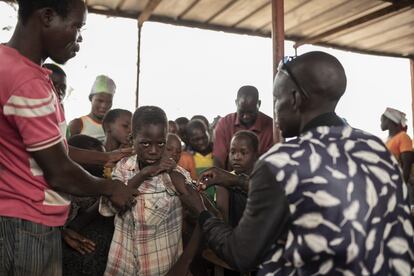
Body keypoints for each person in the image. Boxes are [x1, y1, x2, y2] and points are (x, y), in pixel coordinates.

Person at [180, 51, 414, 275]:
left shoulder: (281, 162)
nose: (275, 108)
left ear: (294, 99)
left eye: (276, 98)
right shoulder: (375, 148)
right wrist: (237, 181)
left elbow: (241, 254)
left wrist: (200, 210)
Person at [0, 1, 136, 274]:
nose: (80, 37)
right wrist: (111, 188)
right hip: (28, 224)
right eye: (76, 26)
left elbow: (53, 151)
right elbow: (60, 172)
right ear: (47, 17)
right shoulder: (27, 82)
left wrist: (106, 157)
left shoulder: (10, 63)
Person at [100, 106, 192, 275]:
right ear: (132, 138)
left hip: (160, 266)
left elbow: (197, 213)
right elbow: (112, 207)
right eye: (145, 143)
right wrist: (143, 174)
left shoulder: (176, 175)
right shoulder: (123, 168)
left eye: (161, 143)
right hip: (123, 264)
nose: (154, 150)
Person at [63, 135, 115, 276]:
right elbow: (74, 224)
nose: (103, 163)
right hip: (77, 257)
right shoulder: (69, 190)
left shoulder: (100, 186)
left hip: (99, 257)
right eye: (97, 159)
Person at [213, 85, 274, 170]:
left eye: (251, 112)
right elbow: (218, 160)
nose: (246, 116)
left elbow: (273, 164)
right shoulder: (224, 124)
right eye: (241, 112)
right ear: (236, 103)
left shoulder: (272, 127)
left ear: (259, 104)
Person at [220, 130, 259, 226]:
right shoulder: (224, 180)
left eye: (243, 152)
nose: (236, 157)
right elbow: (223, 217)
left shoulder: (262, 177)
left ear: (255, 155)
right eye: (232, 152)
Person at [69, 74, 116, 142]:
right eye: (100, 101)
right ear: (91, 98)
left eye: (108, 102)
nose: (104, 106)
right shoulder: (77, 124)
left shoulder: (115, 127)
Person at [381, 107, 413, 183]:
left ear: (389, 120)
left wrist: (403, 185)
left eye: (382, 120)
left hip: (404, 183)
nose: (381, 123)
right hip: (391, 182)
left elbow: (407, 164)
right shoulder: (387, 141)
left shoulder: (403, 136)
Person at [186, 119, 215, 202]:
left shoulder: (218, 153)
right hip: (199, 201)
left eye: (203, 137)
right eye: (195, 140)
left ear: (208, 133)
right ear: (188, 140)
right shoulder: (188, 157)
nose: (201, 142)